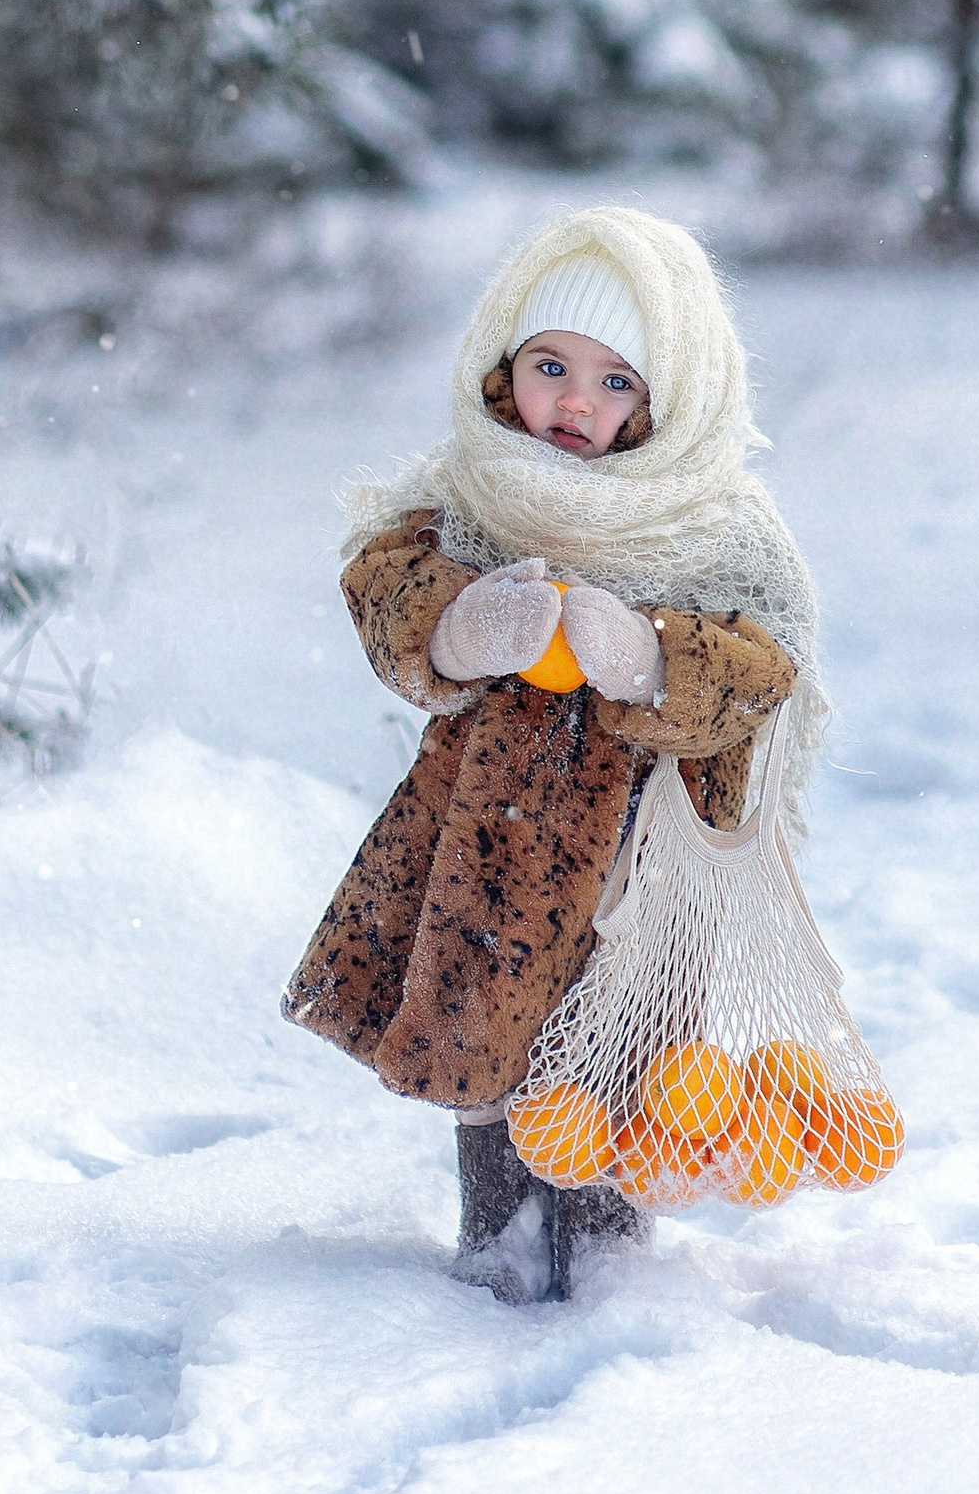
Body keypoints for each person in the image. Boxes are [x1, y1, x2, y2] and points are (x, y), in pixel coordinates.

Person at [284, 204, 824, 1300]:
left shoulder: (714, 524)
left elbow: (764, 668)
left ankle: (609, 1263)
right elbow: (387, 585)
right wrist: (459, 628)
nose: (575, 402)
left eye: (617, 381)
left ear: (673, 398)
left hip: (643, 855)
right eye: (550, 367)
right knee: (489, 1036)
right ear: (503, 365)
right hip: (488, 839)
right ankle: (500, 1249)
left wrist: (653, 659)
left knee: (617, 1053)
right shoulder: (468, 493)